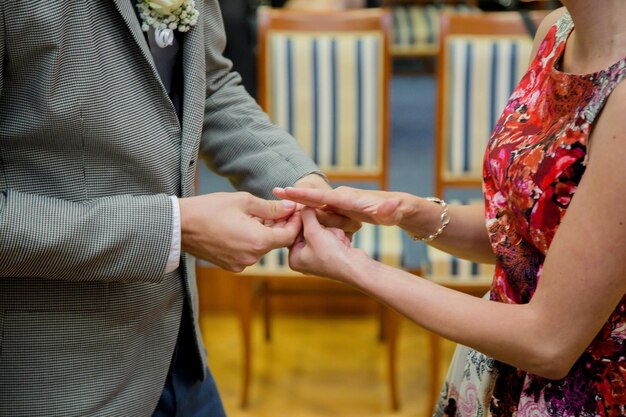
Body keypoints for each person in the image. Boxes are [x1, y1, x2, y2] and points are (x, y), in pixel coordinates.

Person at [0, 1, 356, 416]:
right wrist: (173, 229)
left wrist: (299, 183)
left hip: (180, 352)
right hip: (61, 374)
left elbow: (210, 84)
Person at [274, 0, 626, 415]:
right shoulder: (555, 32)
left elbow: (548, 342)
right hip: (499, 373)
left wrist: (354, 266)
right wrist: (407, 211)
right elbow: (526, 239)